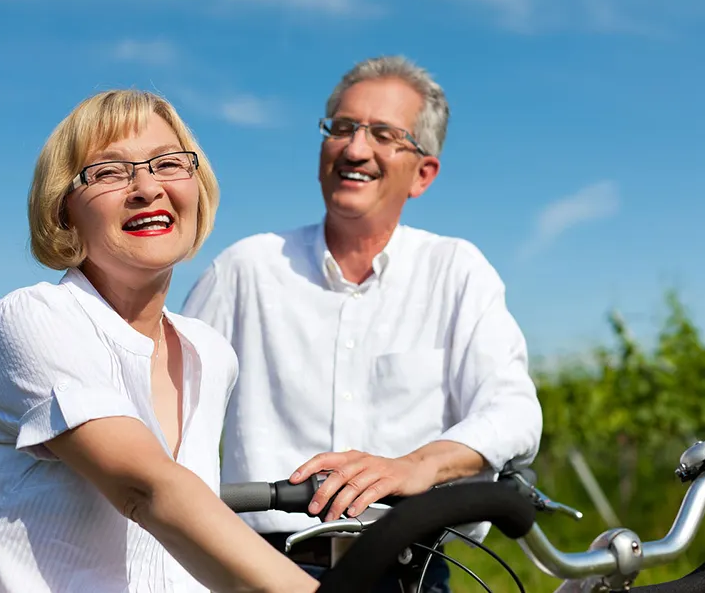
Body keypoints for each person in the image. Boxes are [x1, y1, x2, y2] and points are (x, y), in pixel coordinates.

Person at [182, 56, 544, 592]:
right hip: (258, 570)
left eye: (383, 134)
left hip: (409, 572)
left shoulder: (456, 270)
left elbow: (513, 412)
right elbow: (169, 414)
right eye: (343, 128)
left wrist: (418, 465)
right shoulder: (245, 268)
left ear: (423, 172)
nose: (355, 148)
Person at [0, 90, 318, 593]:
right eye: (109, 172)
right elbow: (146, 489)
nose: (146, 188)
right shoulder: (33, 319)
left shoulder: (210, 352)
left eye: (167, 164)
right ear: (63, 211)